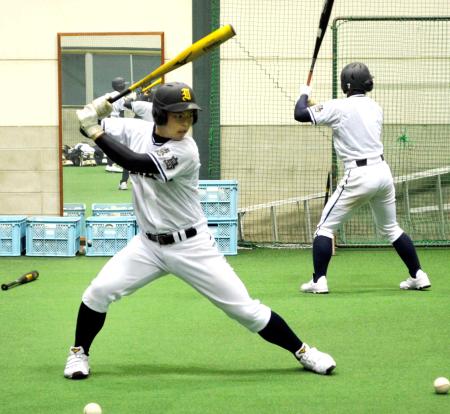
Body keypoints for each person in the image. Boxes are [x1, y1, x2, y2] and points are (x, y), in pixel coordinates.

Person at [63, 82, 336, 379]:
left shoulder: (185, 150)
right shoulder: (136, 130)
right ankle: (79, 353)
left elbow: (133, 161)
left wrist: (94, 127)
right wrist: (94, 114)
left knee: (245, 310)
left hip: (191, 245)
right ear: (160, 115)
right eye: (178, 116)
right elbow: (86, 128)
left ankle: (304, 351)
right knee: (98, 291)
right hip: (147, 245)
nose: (185, 122)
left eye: (189, 115)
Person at [294, 62, 431, 294]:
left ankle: (319, 281)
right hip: (382, 172)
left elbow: (299, 114)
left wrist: (303, 93)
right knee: (391, 228)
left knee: (324, 229)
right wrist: (320, 107)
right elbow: (344, 117)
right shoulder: (375, 107)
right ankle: (418, 275)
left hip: (358, 175)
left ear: (345, 84)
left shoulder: (338, 107)